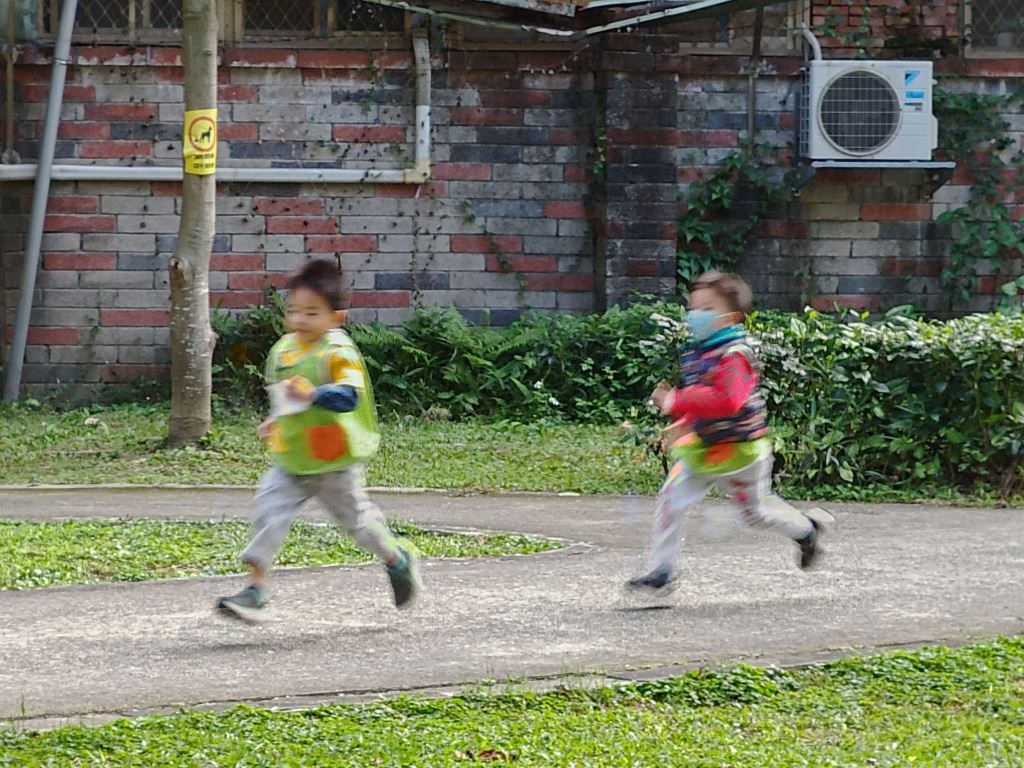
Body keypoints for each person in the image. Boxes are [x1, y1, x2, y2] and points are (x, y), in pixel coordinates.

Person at [217, 258, 419, 621]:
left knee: (359, 525)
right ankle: (256, 589)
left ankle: (395, 559)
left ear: (336, 318)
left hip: (333, 462)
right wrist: (274, 419)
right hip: (292, 458)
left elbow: (349, 396)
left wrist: (314, 394)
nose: (300, 320)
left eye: (312, 313)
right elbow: (285, 396)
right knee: (268, 511)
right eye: (294, 311)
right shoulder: (285, 350)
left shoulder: (338, 353)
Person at [628, 270, 830, 594]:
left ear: (732, 317)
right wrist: (683, 424)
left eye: (707, 309)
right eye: (693, 308)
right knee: (670, 499)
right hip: (703, 449)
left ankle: (806, 530)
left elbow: (728, 400)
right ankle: (661, 570)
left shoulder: (737, 354)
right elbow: (702, 400)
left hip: (740, 453)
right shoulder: (697, 352)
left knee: (757, 513)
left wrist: (677, 400)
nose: (696, 315)